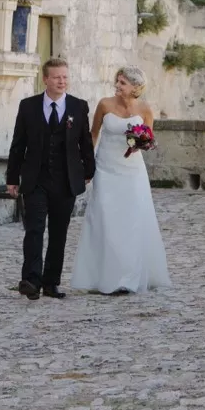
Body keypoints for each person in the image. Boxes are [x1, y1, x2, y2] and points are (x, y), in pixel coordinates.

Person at [70, 65, 171, 295]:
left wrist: (141, 144)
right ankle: (104, 275)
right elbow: (93, 135)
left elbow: (148, 138)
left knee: (132, 219)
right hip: (106, 169)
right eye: (117, 81)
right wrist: (87, 165)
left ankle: (129, 276)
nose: (117, 86)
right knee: (105, 218)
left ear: (135, 87)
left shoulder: (145, 109)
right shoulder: (104, 105)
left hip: (132, 171)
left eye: (122, 83)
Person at [6, 58, 96, 300]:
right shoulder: (28, 106)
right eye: (57, 77)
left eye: (65, 77)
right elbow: (18, 145)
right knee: (34, 229)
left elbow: (85, 142)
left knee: (59, 233)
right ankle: (31, 281)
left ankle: (51, 282)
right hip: (35, 179)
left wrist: (89, 170)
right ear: (45, 79)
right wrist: (12, 178)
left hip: (65, 179)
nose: (62, 81)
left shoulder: (78, 106)